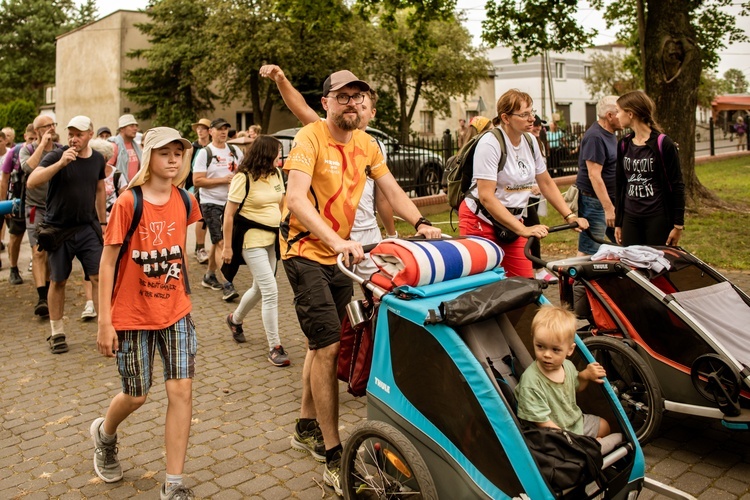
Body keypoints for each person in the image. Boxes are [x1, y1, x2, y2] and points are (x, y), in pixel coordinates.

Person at [280, 69, 441, 494]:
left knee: (323, 345)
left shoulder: (368, 144)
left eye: (359, 97)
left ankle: (304, 426)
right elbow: (296, 198)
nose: (352, 103)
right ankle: (334, 453)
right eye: (343, 96)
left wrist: (421, 222)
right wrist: (337, 240)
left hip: (340, 255)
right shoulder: (310, 137)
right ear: (326, 102)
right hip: (304, 251)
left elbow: (392, 188)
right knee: (328, 345)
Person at [93, 127, 201, 500]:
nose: (173, 159)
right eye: (164, 153)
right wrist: (105, 322)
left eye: (178, 153)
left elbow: (180, 252)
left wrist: (182, 293)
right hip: (132, 314)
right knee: (136, 395)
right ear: (149, 156)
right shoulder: (128, 202)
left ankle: (173, 484)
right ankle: (105, 434)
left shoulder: (187, 200)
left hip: (175, 311)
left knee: (181, 391)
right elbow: (107, 264)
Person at [259, 63, 397, 279]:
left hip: (367, 229)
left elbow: (385, 196)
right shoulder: (324, 132)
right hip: (330, 232)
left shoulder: (375, 146)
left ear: (371, 113)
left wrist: (391, 233)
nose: (353, 106)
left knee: (379, 290)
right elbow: (301, 107)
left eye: (360, 103)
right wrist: (282, 80)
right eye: (346, 99)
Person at [458, 89, 588, 279]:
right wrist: (523, 229)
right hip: (480, 219)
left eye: (532, 112)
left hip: (512, 220)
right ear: (506, 118)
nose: (531, 119)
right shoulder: (490, 143)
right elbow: (486, 196)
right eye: (524, 114)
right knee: (485, 284)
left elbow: (546, 182)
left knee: (525, 284)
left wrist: (569, 215)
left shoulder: (530, 141)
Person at [26, 116, 106, 354]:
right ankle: (57, 331)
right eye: (71, 133)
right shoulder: (56, 155)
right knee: (58, 280)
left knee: (98, 278)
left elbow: (100, 189)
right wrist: (60, 164)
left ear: (90, 134)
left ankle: (105, 328)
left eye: (79, 134)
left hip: (87, 228)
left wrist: (102, 222)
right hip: (58, 229)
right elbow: (31, 181)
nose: (74, 138)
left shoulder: (98, 159)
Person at [221, 135, 289, 366]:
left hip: (273, 240)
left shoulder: (277, 174)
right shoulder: (243, 177)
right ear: (266, 154)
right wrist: (227, 247)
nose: (280, 158)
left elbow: (282, 204)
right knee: (270, 291)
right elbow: (229, 215)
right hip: (251, 241)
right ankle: (274, 346)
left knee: (259, 289)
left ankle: (235, 319)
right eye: (277, 154)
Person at [515, 306, 619, 450]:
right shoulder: (531, 381)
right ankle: (588, 445)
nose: (547, 354)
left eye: (555, 350)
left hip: (574, 421)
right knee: (576, 446)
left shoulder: (568, 366)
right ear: (533, 339)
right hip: (552, 432)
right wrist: (570, 439)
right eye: (540, 346)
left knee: (605, 426)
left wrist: (586, 375)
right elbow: (541, 422)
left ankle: (589, 443)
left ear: (569, 350)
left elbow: (577, 386)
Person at [614, 90, 685, 247]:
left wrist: (678, 225)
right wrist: (619, 222)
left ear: (630, 113)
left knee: (656, 267)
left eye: (618, 111)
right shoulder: (624, 144)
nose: (617, 116)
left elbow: (677, 185)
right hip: (630, 217)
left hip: (657, 217)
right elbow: (620, 184)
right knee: (632, 266)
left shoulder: (663, 143)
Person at [192, 118, 243, 301]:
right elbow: (197, 181)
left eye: (226, 129)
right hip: (210, 202)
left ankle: (209, 275)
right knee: (222, 242)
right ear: (211, 131)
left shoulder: (235, 151)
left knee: (216, 241)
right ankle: (228, 284)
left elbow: (243, 172)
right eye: (220, 129)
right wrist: (224, 180)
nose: (223, 132)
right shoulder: (205, 153)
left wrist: (237, 180)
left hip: (231, 202)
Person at [20, 115, 63, 316]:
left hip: (55, 207)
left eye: (53, 125)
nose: (52, 129)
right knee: (38, 251)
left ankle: (47, 289)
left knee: (49, 251)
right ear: (37, 130)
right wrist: (41, 145)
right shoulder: (26, 149)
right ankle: (41, 297)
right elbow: (27, 168)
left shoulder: (60, 149)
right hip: (34, 208)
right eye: (47, 126)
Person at [576, 96, 622, 256]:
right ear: (610, 116)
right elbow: (594, 175)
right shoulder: (595, 137)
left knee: (623, 243)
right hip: (595, 203)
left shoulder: (609, 134)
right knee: (589, 249)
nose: (624, 115)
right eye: (620, 111)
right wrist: (608, 208)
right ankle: (576, 280)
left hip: (608, 199)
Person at [525, 115, 557, 283]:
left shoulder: (536, 143)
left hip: (531, 196)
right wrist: (528, 187)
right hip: (521, 198)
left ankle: (536, 268)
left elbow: (543, 177)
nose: (536, 127)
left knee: (533, 229)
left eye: (538, 125)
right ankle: (536, 268)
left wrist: (569, 215)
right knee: (532, 229)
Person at [189, 118, 211, 265]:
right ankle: (199, 248)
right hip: (197, 185)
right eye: (198, 128)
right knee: (201, 217)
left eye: (203, 128)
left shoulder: (213, 147)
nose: (200, 130)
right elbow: (187, 168)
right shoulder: (192, 147)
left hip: (214, 185)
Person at [108, 114, 142, 185]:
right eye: (132, 126)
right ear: (122, 129)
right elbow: (107, 169)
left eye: (136, 126)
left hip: (135, 187)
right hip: (120, 188)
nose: (135, 128)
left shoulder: (137, 147)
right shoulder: (114, 146)